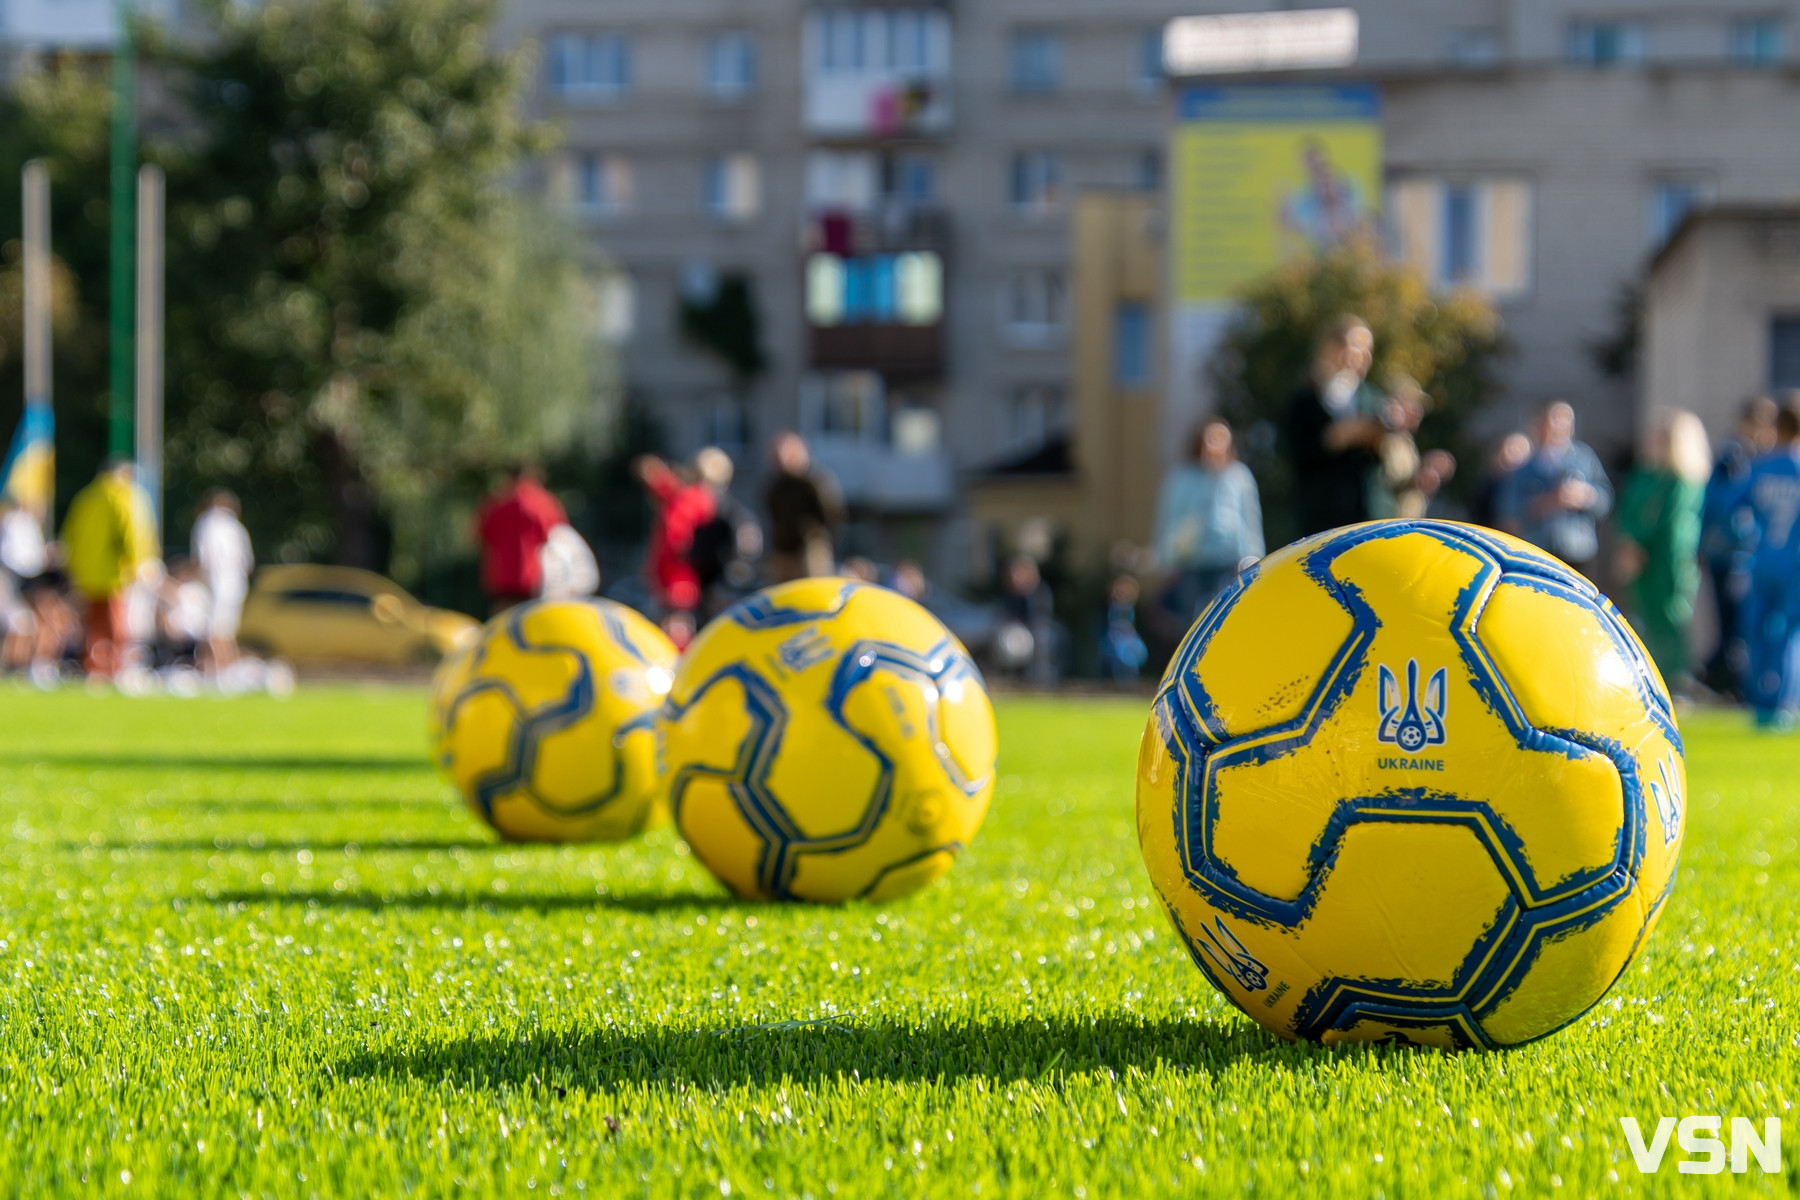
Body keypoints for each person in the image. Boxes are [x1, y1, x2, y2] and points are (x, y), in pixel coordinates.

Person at [1287, 316, 1420, 536]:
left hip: (1371, 518)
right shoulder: (1305, 400)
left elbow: (1386, 465)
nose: (1360, 355)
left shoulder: (1373, 397)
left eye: (1366, 349)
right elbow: (1301, 455)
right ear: (1330, 347)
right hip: (1323, 520)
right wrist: (1340, 436)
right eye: (1354, 346)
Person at [1617, 410, 1710, 690]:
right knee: (1646, 617)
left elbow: (1669, 523)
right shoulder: (1647, 476)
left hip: (1669, 558)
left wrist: (1641, 544)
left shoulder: (1683, 480)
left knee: (1671, 616)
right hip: (1643, 557)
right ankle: (1654, 679)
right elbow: (1628, 513)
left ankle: (1676, 681)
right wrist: (1629, 544)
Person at [1151, 419, 1264, 630]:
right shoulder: (1182, 477)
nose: (1215, 445)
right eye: (1211, 439)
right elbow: (1170, 517)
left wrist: (1253, 558)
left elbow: (1250, 519)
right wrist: (1166, 560)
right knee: (1192, 624)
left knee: (1226, 622)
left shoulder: (1239, 476)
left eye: (1221, 439)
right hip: (1192, 562)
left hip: (1228, 562)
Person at [1700, 396, 1778, 698]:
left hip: (1741, 554)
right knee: (1733, 622)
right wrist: (1749, 533)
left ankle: (1724, 678)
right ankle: (1728, 683)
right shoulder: (1735, 457)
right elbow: (1723, 504)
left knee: (1738, 624)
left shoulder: (1752, 456)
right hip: (1730, 554)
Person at [1732, 403, 1800, 728]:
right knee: (1788, 636)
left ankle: (1759, 705)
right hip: (1795, 565)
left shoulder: (1760, 467)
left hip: (1761, 560)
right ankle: (1784, 704)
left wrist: (1748, 537)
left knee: (1756, 631)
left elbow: (1731, 510)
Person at [61, 457, 159, 680]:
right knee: (117, 622)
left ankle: (93, 667)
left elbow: (69, 535)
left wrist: (73, 567)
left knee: (92, 624)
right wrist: (139, 564)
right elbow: (133, 532)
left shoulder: (85, 496)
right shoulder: (123, 495)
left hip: (85, 573)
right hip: (114, 572)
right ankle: (117, 667)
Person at [1500, 400, 1613, 574]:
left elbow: (1606, 502)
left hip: (1578, 550)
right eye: (1555, 420)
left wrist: (1586, 496)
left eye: (1566, 421)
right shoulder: (1527, 467)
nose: (1560, 427)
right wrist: (1549, 501)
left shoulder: (1585, 459)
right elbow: (1511, 511)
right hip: (1540, 551)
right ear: (1542, 424)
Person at [636, 452, 720, 646]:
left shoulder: (688, 500)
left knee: (677, 630)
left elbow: (677, 543)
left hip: (679, 578)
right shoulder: (687, 499)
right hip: (673, 576)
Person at [474, 463, 566, 615]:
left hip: (500, 576)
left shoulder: (495, 501)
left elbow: (479, 535)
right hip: (535, 576)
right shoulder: (544, 502)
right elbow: (558, 536)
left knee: (503, 623)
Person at [685, 447, 761, 619]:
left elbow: (746, 557)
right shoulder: (697, 515)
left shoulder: (731, 516)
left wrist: (724, 586)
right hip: (700, 591)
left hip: (721, 594)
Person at [764, 432, 843, 583]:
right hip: (783, 549)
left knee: (812, 589)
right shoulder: (776, 486)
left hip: (810, 548)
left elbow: (832, 514)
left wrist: (815, 536)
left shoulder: (816, 482)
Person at [192, 488, 254, 675]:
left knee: (212, 631)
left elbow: (204, 560)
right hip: (236, 585)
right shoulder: (237, 527)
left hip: (215, 583)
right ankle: (227, 671)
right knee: (227, 633)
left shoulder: (207, 523)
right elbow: (247, 562)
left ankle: (219, 673)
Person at [1472, 432, 1532, 532]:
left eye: (1521, 451)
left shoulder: (1531, 490)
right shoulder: (1487, 487)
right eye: (1512, 450)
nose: (1516, 457)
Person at [1098, 574, 1148, 685]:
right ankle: (1119, 680)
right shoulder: (1114, 608)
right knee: (1118, 657)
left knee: (1133, 655)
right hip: (1117, 636)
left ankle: (1131, 680)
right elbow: (1115, 623)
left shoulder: (1129, 609)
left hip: (1128, 636)